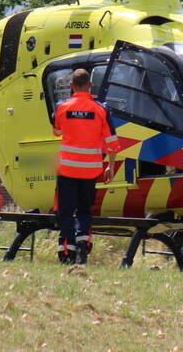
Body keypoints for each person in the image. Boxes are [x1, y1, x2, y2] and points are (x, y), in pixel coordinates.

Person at [52, 68, 120, 265]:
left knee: (66, 211)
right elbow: (112, 142)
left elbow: (57, 131)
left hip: (67, 169)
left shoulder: (62, 107)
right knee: (84, 209)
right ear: (90, 85)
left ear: (71, 86)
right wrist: (111, 167)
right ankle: (84, 244)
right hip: (91, 169)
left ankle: (66, 250)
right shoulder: (101, 109)